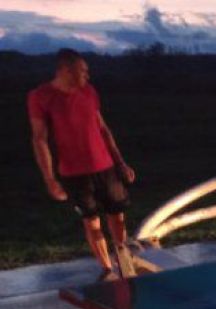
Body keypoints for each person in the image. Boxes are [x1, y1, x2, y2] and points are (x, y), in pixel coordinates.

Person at [28, 48, 137, 280]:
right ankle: (108, 269)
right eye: (82, 71)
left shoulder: (89, 92)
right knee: (91, 221)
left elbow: (103, 130)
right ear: (66, 71)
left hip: (105, 167)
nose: (87, 75)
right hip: (75, 173)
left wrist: (121, 163)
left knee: (117, 216)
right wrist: (50, 179)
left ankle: (124, 261)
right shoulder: (40, 97)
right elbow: (39, 139)